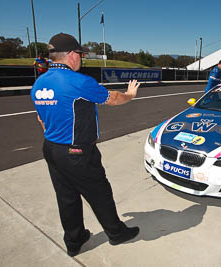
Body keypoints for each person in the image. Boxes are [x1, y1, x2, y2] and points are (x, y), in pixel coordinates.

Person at [30, 33, 141, 257]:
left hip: (51, 148)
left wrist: (55, 139)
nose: (81, 58)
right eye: (80, 54)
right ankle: (117, 234)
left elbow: (41, 119)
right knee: (100, 192)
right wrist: (130, 94)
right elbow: (113, 98)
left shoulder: (39, 82)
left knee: (66, 196)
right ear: (71, 55)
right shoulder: (78, 81)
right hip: (77, 151)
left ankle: (74, 240)